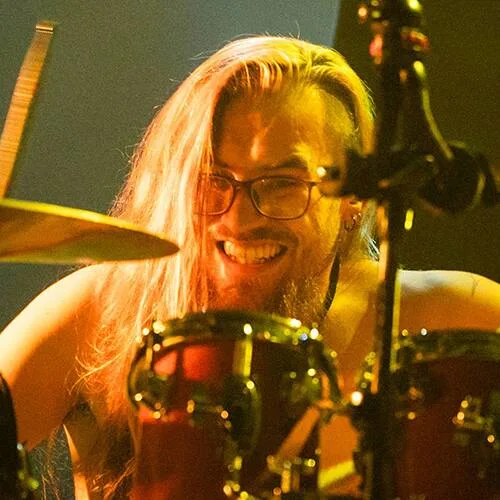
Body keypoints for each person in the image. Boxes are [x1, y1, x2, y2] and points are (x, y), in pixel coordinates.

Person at [0, 36, 498, 499]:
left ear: (353, 196)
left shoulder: (453, 319)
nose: (239, 219)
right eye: (212, 179)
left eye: (282, 183)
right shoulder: (102, 311)